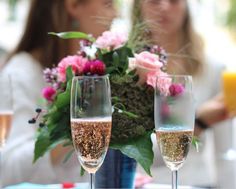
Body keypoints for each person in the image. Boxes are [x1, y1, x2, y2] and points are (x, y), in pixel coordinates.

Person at [1, 0, 116, 186]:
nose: (115, 15)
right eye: (108, 4)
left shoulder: (95, 76)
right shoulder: (21, 74)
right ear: (73, 5)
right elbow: (7, 169)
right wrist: (75, 129)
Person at [131, 0, 232, 186]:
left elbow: (224, 153)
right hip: (145, 184)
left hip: (197, 183)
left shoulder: (214, 69)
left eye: (174, 1)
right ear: (139, 7)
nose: (164, 7)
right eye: (154, 1)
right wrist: (199, 121)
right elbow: (131, 153)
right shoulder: (126, 71)